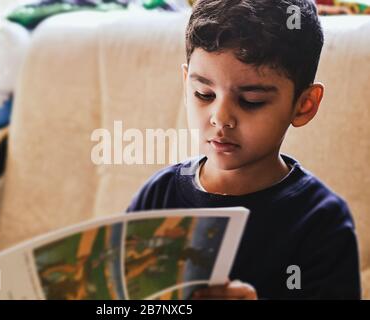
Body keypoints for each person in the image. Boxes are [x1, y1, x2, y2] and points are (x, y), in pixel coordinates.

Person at [126, 0, 361, 299]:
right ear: (186, 83)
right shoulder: (158, 197)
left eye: (251, 100)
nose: (220, 117)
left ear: (304, 105)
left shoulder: (321, 223)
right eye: (204, 94)